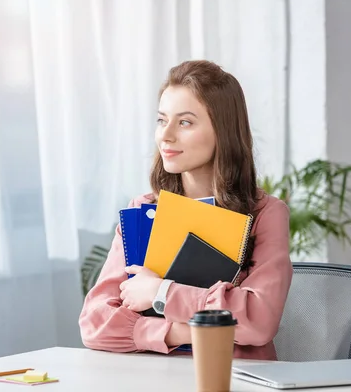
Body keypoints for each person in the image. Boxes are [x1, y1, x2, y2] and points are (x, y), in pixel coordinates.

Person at [78, 60, 292, 360]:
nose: (166, 135)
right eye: (162, 120)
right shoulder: (144, 209)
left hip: (236, 379)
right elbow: (94, 323)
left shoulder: (266, 213)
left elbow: (258, 321)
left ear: (223, 131)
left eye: (185, 122)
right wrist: (185, 331)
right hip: (157, 378)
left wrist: (161, 293)